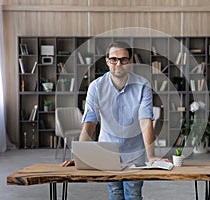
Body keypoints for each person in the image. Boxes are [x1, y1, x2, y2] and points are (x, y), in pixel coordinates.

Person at [61, 40, 169, 200]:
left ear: (130, 61)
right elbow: (90, 122)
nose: (118, 63)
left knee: (133, 194)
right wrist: (80, 155)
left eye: (124, 59)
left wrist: (151, 156)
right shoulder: (96, 87)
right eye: (114, 59)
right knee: (115, 193)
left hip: (135, 151)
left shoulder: (143, 85)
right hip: (108, 149)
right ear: (107, 61)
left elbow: (146, 121)